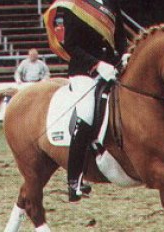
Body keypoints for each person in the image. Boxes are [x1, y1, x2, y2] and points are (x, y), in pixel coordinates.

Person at [44, 0, 129, 202]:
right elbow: (71, 45)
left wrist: (124, 55)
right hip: (85, 71)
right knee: (87, 115)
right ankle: (74, 179)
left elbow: (120, 36)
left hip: (112, 67)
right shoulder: (73, 5)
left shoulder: (110, 3)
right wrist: (96, 64)